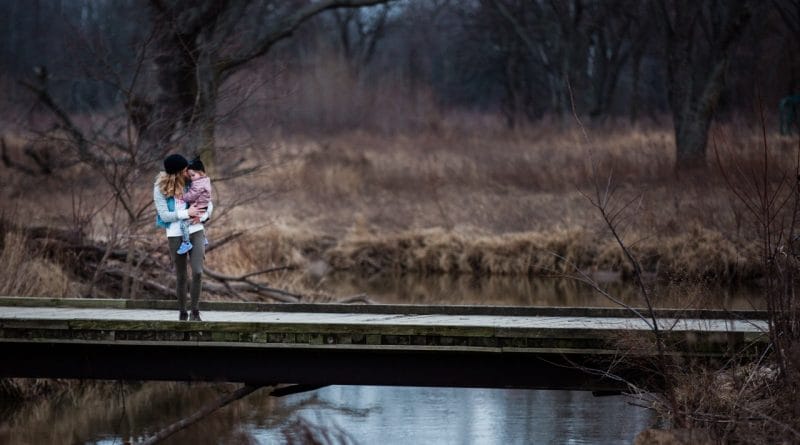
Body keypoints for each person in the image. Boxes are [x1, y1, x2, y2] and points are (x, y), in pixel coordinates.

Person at [153, 154, 212, 321]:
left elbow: (208, 200)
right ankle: (182, 311)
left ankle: (195, 311)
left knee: (198, 272)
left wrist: (203, 216)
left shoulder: (191, 180)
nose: (188, 171)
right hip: (174, 234)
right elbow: (164, 215)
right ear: (177, 172)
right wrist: (187, 212)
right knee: (181, 275)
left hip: (196, 229)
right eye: (185, 169)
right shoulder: (160, 188)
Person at [176, 157, 213, 254]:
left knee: (184, 224)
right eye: (190, 175)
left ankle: (186, 243)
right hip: (202, 207)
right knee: (198, 223)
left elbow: (192, 195)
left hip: (198, 208)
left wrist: (182, 197)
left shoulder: (198, 184)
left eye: (193, 175)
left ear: (201, 172)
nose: (191, 178)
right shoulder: (206, 180)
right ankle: (204, 239)